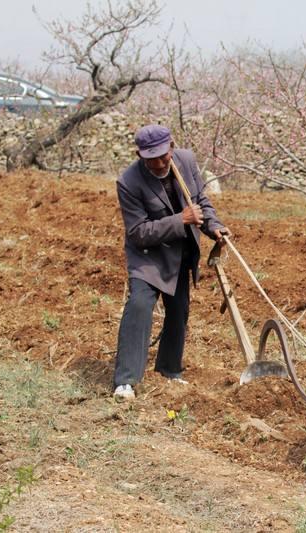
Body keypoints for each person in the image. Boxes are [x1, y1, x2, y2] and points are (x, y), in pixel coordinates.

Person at [113, 125, 230, 401]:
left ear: (172, 147)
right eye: (151, 158)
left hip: (181, 251)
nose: (159, 163)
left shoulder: (186, 160)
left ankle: (169, 369)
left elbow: (201, 200)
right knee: (139, 306)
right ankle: (126, 381)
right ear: (139, 154)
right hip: (148, 256)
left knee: (179, 310)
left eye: (164, 156)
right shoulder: (129, 182)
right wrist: (181, 220)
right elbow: (138, 232)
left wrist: (214, 227)